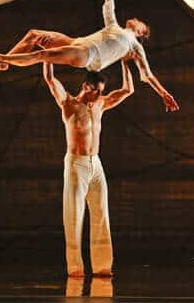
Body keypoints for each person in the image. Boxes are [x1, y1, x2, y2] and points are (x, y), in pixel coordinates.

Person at [0, 0, 180, 112]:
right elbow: (109, 0)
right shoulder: (114, 26)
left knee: (41, 54)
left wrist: (163, 93)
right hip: (76, 42)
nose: (136, 19)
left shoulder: (134, 47)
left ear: (142, 33)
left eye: (140, 22)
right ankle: (4, 63)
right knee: (34, 35)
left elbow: (148, 76)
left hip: (86, 55)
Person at [43, 59, 134, 277]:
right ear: (85, 87)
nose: (98, 96)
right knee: (74, 216)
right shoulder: (69, 104)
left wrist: (125, 62)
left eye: (101, 92)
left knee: (101, 213)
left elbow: (128, 89)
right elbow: (50, 79)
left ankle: (102, 265)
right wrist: (48, 55)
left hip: (96, 165)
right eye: (95, 92)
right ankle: (75, 268)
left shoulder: (100, 104)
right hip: (77, 164)